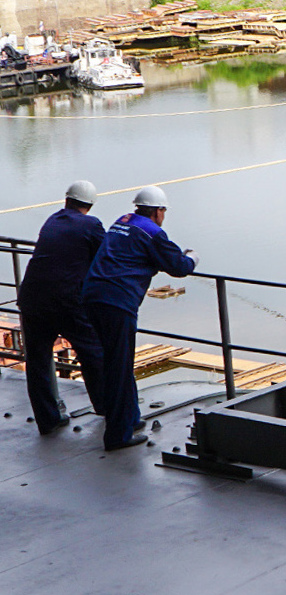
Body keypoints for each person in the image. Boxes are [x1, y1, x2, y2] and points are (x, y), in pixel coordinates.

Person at [80, 185, 196, 451]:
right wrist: (192, 258)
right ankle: (118, 436)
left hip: (92, 295)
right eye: (163, 211)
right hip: (116, 303)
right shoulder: (152, 231)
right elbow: (178, 267)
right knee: (119, 367)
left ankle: (130, 419)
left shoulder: (121, 222)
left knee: (115, 361)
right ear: (157, 212)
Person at [15, 181, 107, 435]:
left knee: (38, 360)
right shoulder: (91, 225)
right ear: (90, 204)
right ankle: (105, 406)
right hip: (66, 301)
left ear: (66, 200)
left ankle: (48, 419)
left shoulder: (52, 220)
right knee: (93, 353)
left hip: (32, 298)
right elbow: (107, 256)